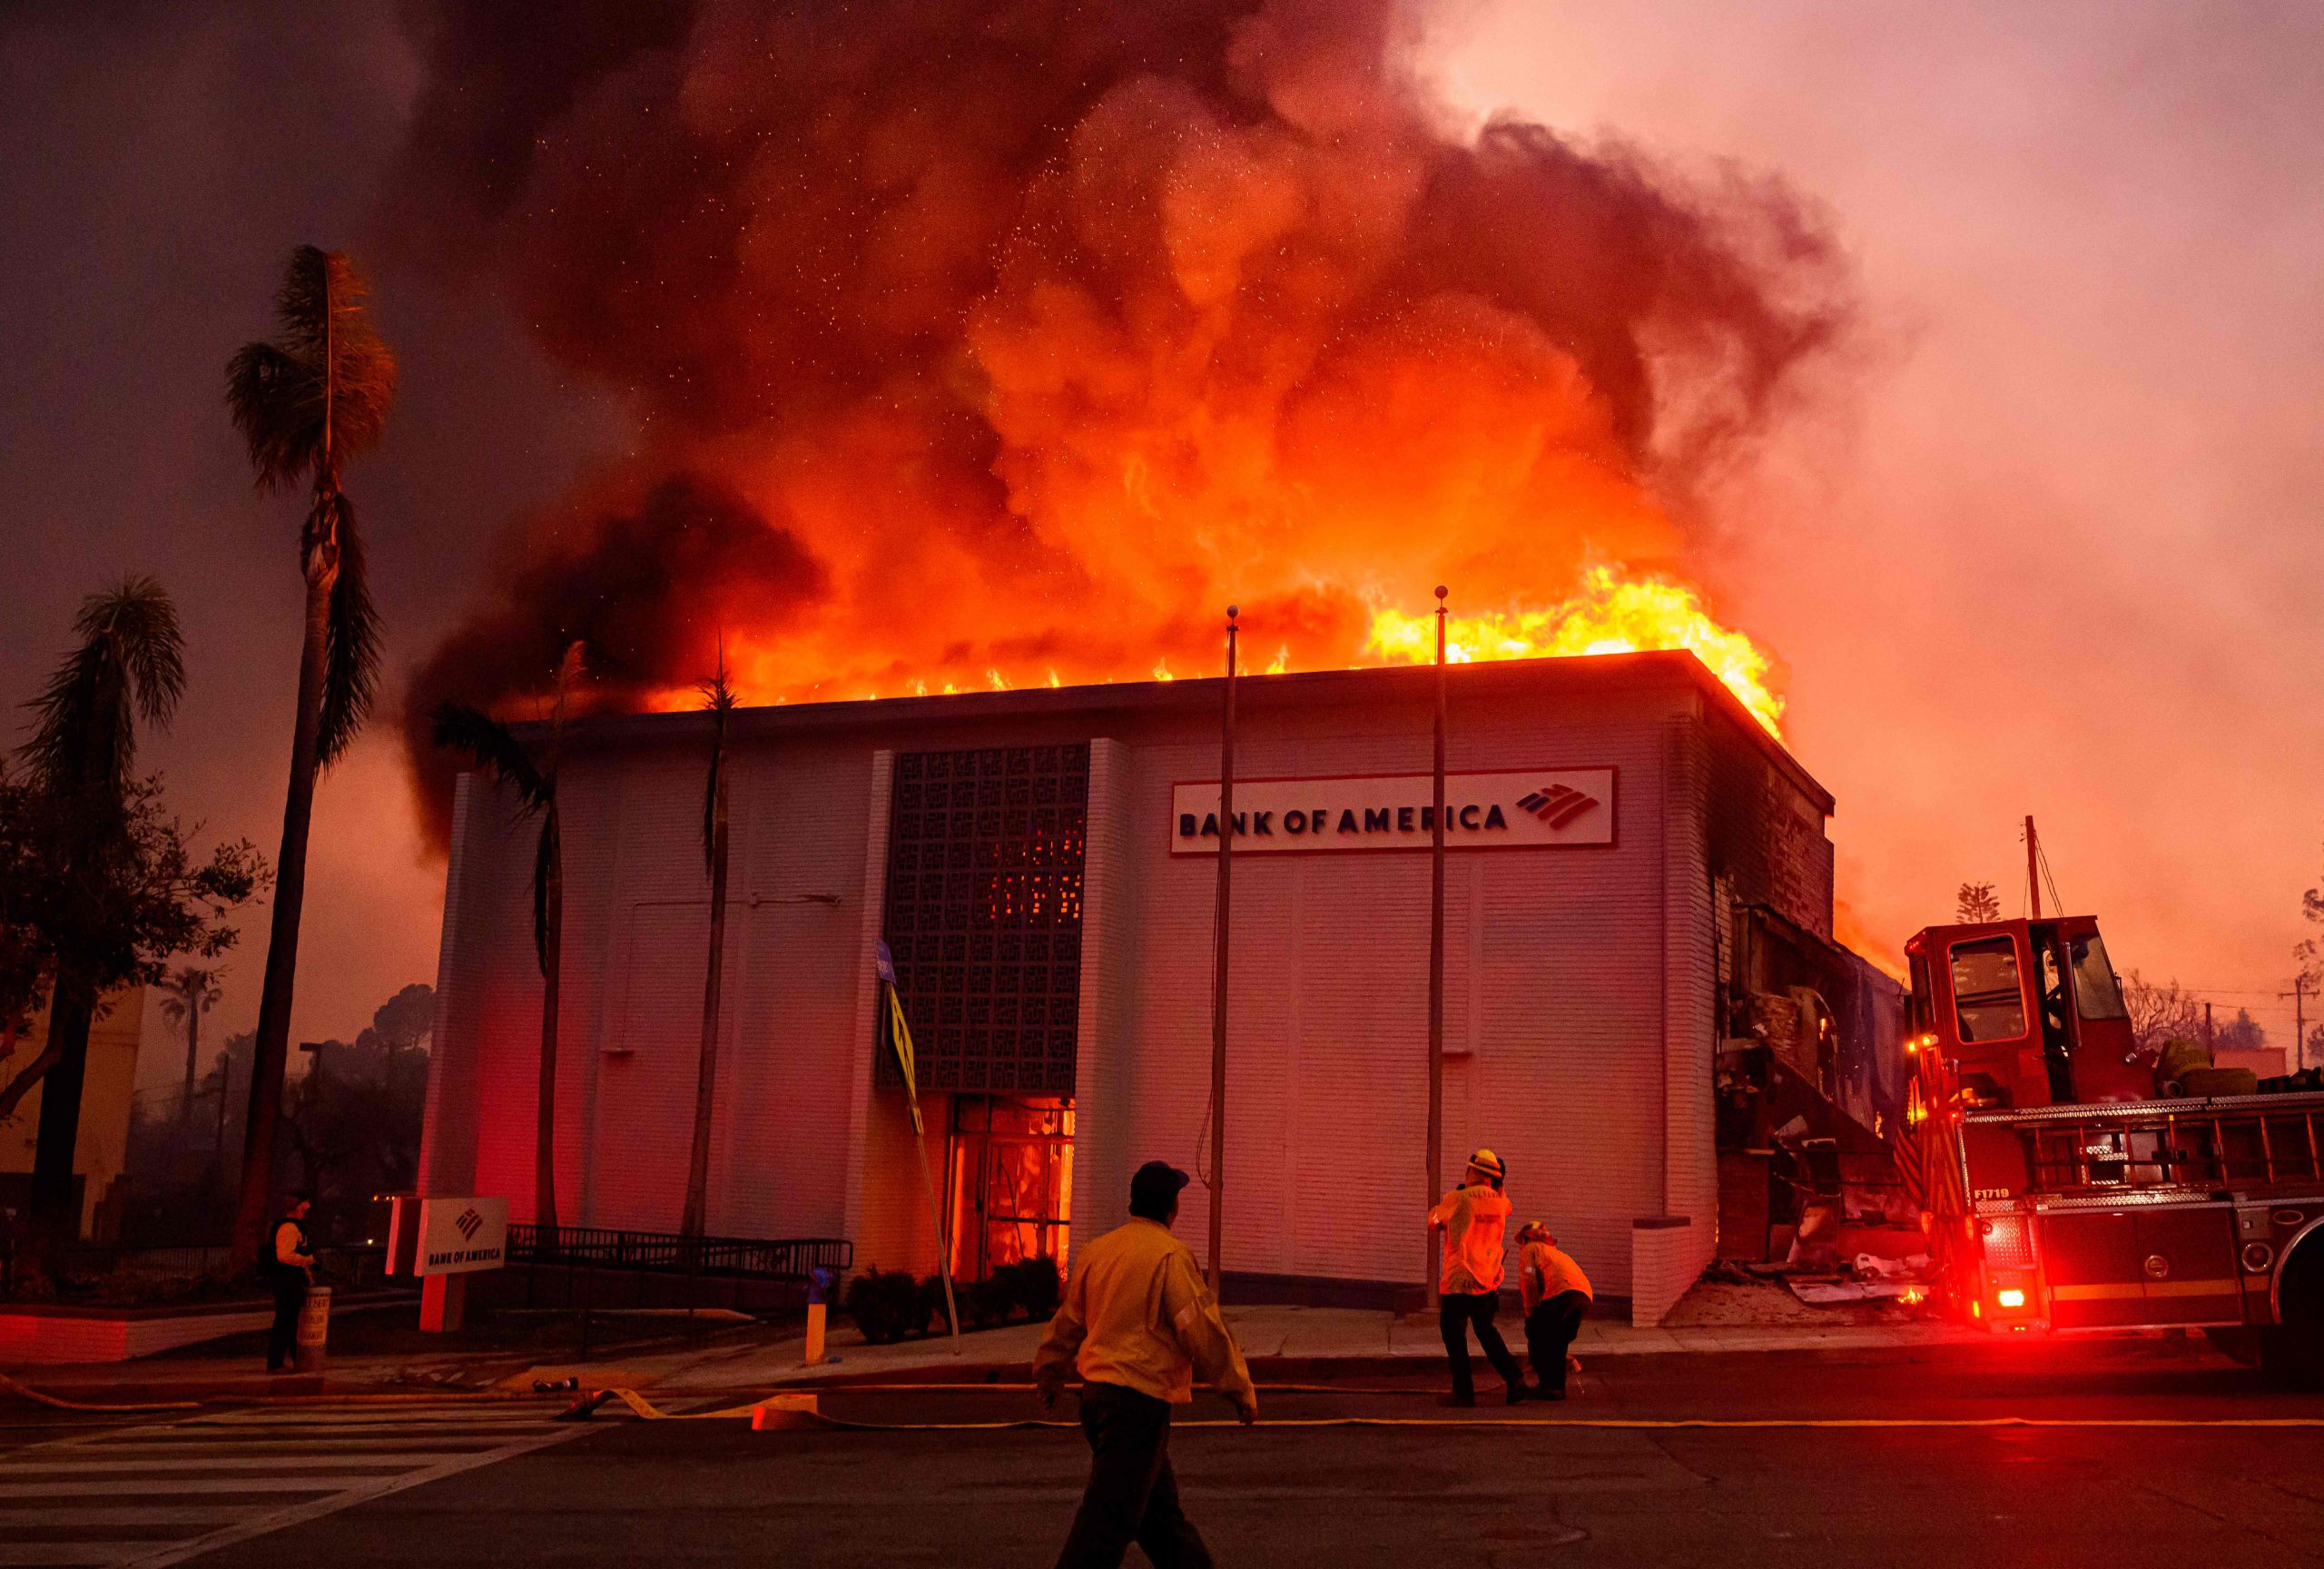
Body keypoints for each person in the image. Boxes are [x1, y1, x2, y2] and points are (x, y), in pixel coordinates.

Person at [1035, 1160, 1257, 1569]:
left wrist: (1049, 1372)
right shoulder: (1170, 1256)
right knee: (1104, 1527)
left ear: (1133, 1203)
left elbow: (1069, 1322)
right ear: (1173, 1207)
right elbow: (1201, 1331)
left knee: (1160, 1523)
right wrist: (1237, 1388)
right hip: (1137, 1405)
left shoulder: (1098, 1252)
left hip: (1096, 1399)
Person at [1428, 1149, 1525, 1406]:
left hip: (1459, 1279)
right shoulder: (1501, 1203)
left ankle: (1463, 1392)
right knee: (1486, 1332)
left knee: (1454, 1335)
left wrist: (1444, 1212)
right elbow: (1505, 1203)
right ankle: (1515, 1378)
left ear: (1471, 1171)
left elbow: (1433, 1220)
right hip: (1487, 1279)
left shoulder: (1458, 1198)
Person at [1515, 1220, 1592, 1400]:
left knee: (1538, 1333)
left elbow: (1528, 1279)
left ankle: (1548, 1386)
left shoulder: (1530, 1249)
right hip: (1583, 1296)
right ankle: (1556, 1388)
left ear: (1527, 1238)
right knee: (1557, 1341)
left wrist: (1530, 1310)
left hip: (1562, 1294)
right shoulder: (1555, 1253)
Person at [264, 1191, 316, 1374]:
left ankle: (294, 1360)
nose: (307, 1208)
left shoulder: (292, 1226)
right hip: (287, 1280)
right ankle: (276, 1363)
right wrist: (307, 1260)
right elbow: (284, 1256)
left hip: (289, 1279)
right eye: (305, 1204)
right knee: (285, 1321)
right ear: (299, 1206)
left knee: (290, 1321)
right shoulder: (289, 1228)